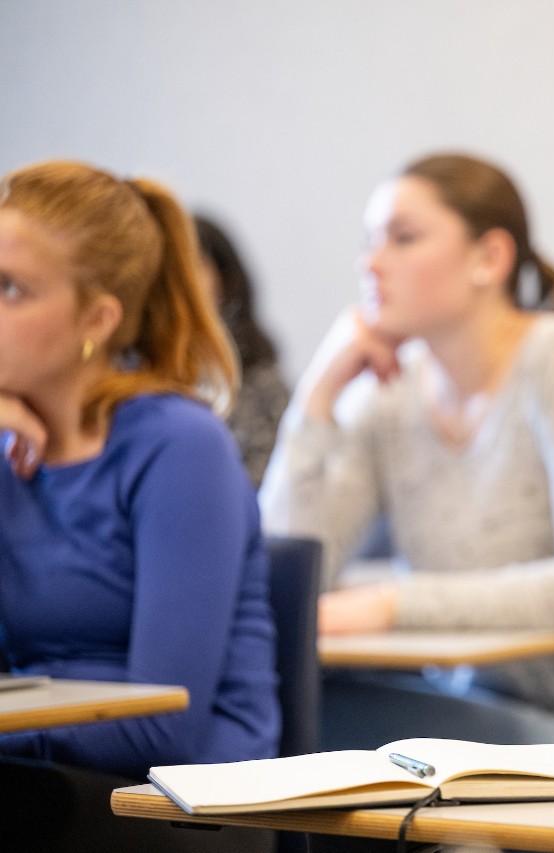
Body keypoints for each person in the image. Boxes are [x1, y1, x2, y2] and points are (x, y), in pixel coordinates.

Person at [259, 153, 554, 720]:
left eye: (403, 239)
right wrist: (316, 398)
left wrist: (392, 604)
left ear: (490, 257)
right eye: (369, 241)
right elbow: (287, 579)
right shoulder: (385, 394)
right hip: (454, 705)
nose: (371, 263)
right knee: (294, 715)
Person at [0, 160, 279, 850]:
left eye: (11, 289)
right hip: (45, 774)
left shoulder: (179, 446)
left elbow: (164, 723)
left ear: (98, 318)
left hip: (190, 801)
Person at [193, 214, 290, 487]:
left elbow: (275, 485)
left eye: (194, 265)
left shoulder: (262, 382)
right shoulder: (138, 376)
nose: (179, 283)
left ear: (224, 278)